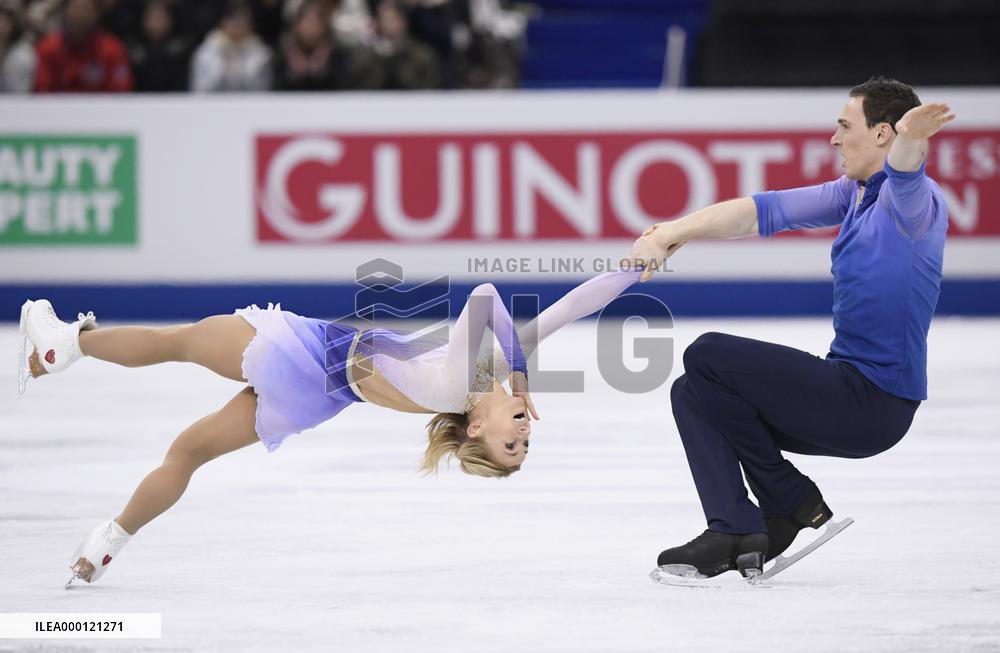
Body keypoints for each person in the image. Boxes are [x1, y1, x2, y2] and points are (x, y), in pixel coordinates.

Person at [17, 270, 642, 585]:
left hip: (303, 353)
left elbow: (483, 296)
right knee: (188, 453)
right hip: (317, 396)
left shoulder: (464, 381)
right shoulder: (484, 372)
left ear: (476, 430)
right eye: (526, 442)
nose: (524, 433)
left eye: (512, 446)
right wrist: (640, 267)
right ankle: (107, 544)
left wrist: (524, 369)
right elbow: (571, 307)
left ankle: (63, 346)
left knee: (176, 341)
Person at [629, 77, 954, 580]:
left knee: (709, 353)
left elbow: (907, 166)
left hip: (874, 402)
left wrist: (913, 137)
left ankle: (788, 496)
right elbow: (764, 211)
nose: (834, 138)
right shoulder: (854, 194)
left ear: (883, 134)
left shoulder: (910, 203)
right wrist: (673, 232)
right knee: (693, 392)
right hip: (846, 391)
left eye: (845, 127)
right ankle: (741, 525)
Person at [33, 0, 133, 93]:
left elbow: (120, 93)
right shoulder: (48, 48)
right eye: (75, 9)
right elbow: (43, 91)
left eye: (86, 9)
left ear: (96, 14)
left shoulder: (113, 49)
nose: (80, 15)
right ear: (65, 12)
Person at [190, 0, 272, 92]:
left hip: (250, 103)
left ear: (251, 24)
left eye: (243, 19)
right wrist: (224, 66)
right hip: (214, 103)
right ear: (222, 22)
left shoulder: (260, 52)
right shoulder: (207, 51)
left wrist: (241, 69)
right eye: (233, 19)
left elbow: (262, 89)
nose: (238, 24)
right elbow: (200, 88)